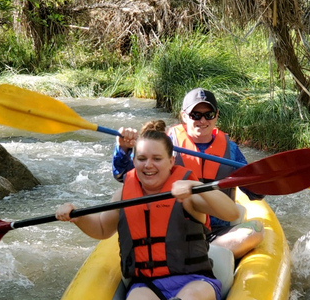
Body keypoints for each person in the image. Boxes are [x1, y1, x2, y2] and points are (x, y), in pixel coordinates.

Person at [56, 120, 241, 300]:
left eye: (157, 159)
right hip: (148, 285)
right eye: (142, 159)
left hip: (196, 281)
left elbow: (232, 212)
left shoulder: (187, 194)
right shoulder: (125, 193)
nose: (148, 165)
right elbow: (101, 228)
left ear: (171, 161)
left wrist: (195, 186)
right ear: (134, 161)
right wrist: (76, 217)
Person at [112, 88, 264, 258]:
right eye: (196, 115)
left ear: (216, 115)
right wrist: (123, 148)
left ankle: (205, 254)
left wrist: (263, 179)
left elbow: (255, 193)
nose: (203, 120)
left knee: (256, 231)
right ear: (184, 116)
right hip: (175, 229)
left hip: (217, 231)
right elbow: (125, 175)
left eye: (209, 114)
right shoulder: (165, 143)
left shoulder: (231, 149)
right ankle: (206, 256)